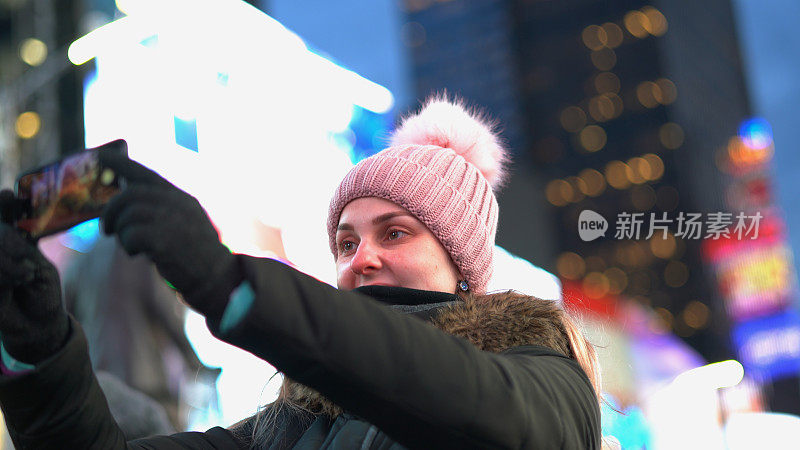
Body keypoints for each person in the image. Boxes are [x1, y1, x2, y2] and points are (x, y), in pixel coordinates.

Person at [0, 97, 602, 449]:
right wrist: (38, 350)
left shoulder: (549, 380)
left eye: (395, 233)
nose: (360, 258)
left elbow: (453, 393)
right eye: (345, 241)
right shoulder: (291, 424)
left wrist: (230, 283)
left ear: (463, 262)